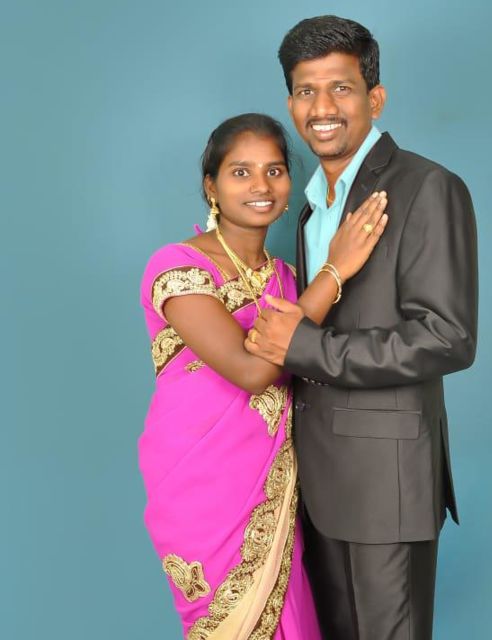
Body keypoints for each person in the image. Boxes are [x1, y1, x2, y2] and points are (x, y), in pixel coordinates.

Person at [245, 17, 479, 640]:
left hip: (387, 485)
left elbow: (447, 336)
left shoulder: (428, 187)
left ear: (375, 98)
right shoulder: (309, 208)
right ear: (291, 104)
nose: (322, 108)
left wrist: (304, 347)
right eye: (305, 90)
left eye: (341, 88)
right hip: (315, 484)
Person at [138, 113, 388, 639]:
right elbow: (253, 371)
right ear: (211, 186)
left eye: (274, 171)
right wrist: (336, 271)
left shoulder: (288, 281)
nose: (261, 186)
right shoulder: (178, 268)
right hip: (201, 487)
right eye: (241, 172)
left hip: (275, 491)